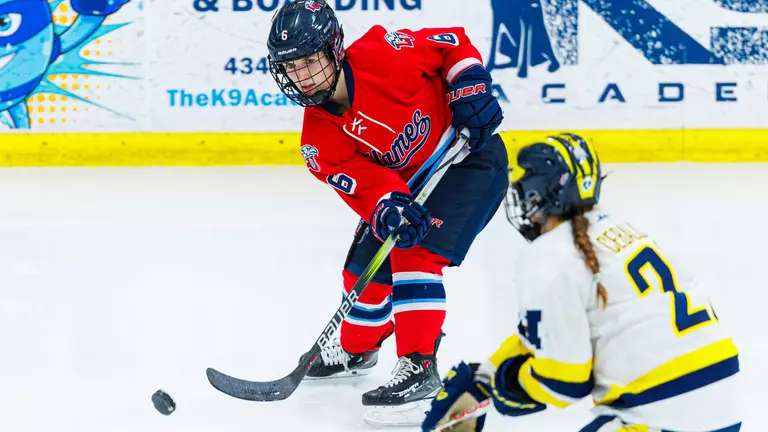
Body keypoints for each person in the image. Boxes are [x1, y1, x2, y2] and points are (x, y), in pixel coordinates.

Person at [266, 0, 510, 426]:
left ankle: (420, 367)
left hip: (470, 159)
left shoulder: (384, 53)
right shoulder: (318, 143)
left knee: (413, 256)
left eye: (309, 61)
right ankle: (357, 349)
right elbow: (369, 186)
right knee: (361, 276)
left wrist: (469, 85)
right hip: (412, 187)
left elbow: (452, 43)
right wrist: (388, 206)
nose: (302, 76)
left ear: (334, 50)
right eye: (292, 67)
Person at [422, 133, 742, 432]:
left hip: (659, 414)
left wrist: (505, 382)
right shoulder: (621, 229)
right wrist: (486, 376)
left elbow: (563, 384)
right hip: (726, 407)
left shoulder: (549, 255)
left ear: (540, 192)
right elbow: (548, 336)